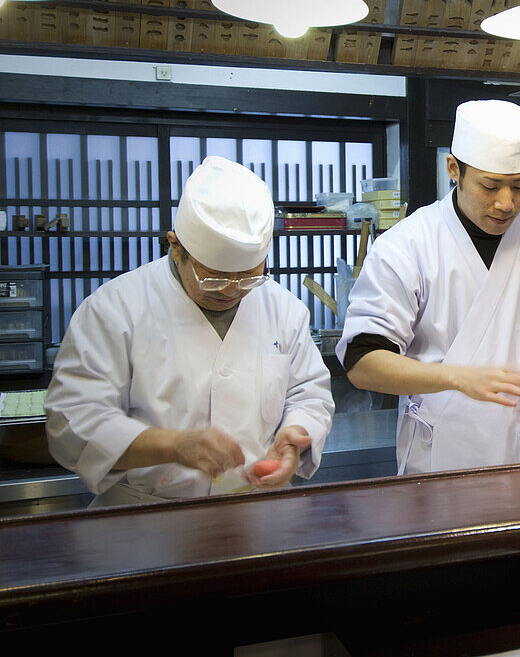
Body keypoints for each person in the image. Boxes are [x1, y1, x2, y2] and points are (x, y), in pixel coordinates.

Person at [45, 156, 334, 506]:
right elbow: (73, 421)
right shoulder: (115, 309)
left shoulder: (284, 309)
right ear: (175, 246)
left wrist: (294, 435)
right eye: (213, 277)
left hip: (260, 510)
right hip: (146, 519)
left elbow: (308, 394)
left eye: (248, 277)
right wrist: (171, 445)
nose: (231, 290)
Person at [338, 99, 520, 475]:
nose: (505, 203)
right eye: (490, 186)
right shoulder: (408, 245)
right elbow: (363, 362)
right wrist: (458, 377)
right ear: (454, 169)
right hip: (442, 455)